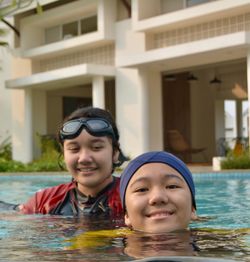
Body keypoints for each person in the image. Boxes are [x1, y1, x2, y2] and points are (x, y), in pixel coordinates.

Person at [15, 106, 128, 216]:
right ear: (64, 155)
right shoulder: (43, 202)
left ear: (115, 153)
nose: (84, 158)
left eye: (96, 147)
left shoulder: (130, 199)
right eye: (74, 149)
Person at [119, 151, 197, 233]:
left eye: (172, 186)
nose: (158, 197)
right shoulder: (106, 242)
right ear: (126, 215)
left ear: (192, 208)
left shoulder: (210, 242)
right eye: (142, 189)